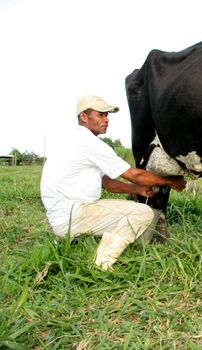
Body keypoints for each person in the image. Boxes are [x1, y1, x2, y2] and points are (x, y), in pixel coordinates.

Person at [40, 95, 186, 270]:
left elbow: (107, 183)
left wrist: (137, 190)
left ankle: (75, 239)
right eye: (100, 114)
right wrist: (170, 182)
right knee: (143, 213)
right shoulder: (89, 143)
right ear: (84, 117)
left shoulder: (71, 139)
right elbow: (134, 174)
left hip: (62, 216)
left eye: (107, 115)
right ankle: (102, 262)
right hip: (73, 216)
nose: (106, 119)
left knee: (125, 213)